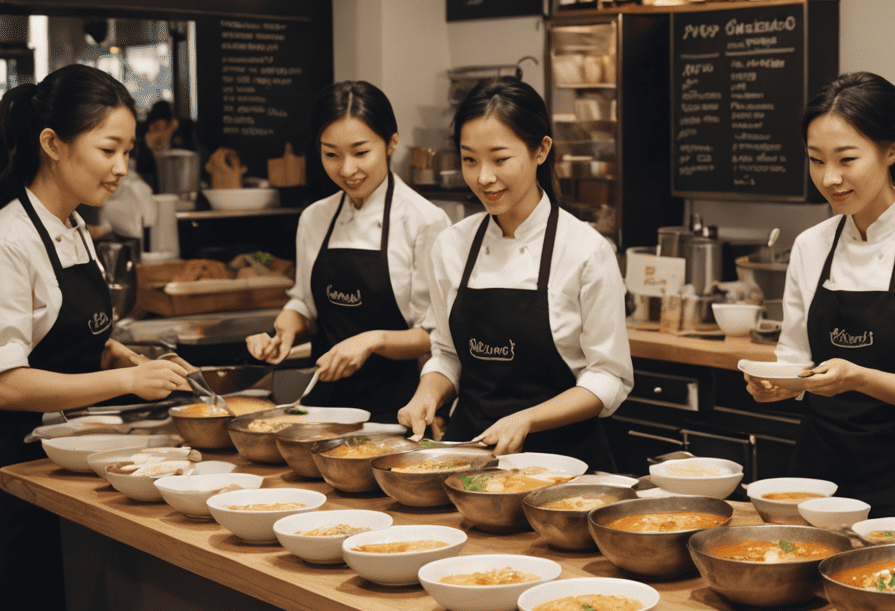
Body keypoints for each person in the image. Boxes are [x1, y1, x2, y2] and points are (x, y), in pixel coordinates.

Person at [0, 66, 189, 611]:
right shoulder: (5, 241)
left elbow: (65, 338)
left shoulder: (74, 227)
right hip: (5, 481)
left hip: (58, 470)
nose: (122, 166)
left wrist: (114, 354)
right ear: (52, 144)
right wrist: (128, 386)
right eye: (108, 150)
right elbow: (7, 385)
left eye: (128, 151)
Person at [744, 72, 895, 518]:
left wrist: (858, 377)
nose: (830, 178)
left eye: (847, 159)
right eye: (816, 160)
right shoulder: (812, 245)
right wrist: (777, 384)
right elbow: (794, 355)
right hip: (812, 479)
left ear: (893, 150)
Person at [399, 79, 631, 464]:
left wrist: (527, 419)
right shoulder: (452, 245)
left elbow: (608, 377)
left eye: (500, 159)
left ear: (541, 150)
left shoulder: (586, 251)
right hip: (466, 458)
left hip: (563, 466)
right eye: (469, 160)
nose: (483, 177)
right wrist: (429, 391)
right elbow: (447, 353)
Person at [246, 82, 448, 423]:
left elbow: (434, 336)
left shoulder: (424, 221)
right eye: (331, 154)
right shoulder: (315, 218)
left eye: (360, 152)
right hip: (320, 410)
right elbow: (306, 305)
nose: (346, 169)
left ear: (391, 143)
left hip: (397, 411)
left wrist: (371, 341)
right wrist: (285, 327)